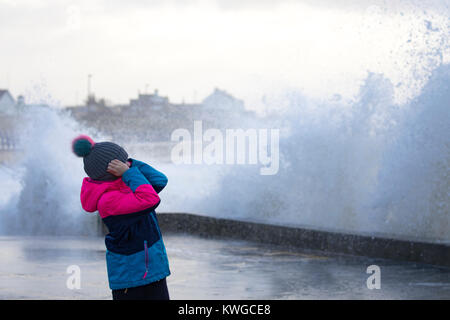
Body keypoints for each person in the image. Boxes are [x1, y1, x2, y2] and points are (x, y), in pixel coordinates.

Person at [72, 134, 170, 300]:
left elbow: (160, 180)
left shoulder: (129, 184)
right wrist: (129, 173)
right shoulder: (108, 201)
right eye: (121, 161)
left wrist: (129, 166)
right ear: (111, 171)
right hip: (131, 276)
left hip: (152, 268)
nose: (127, 164)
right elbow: (150, 199)